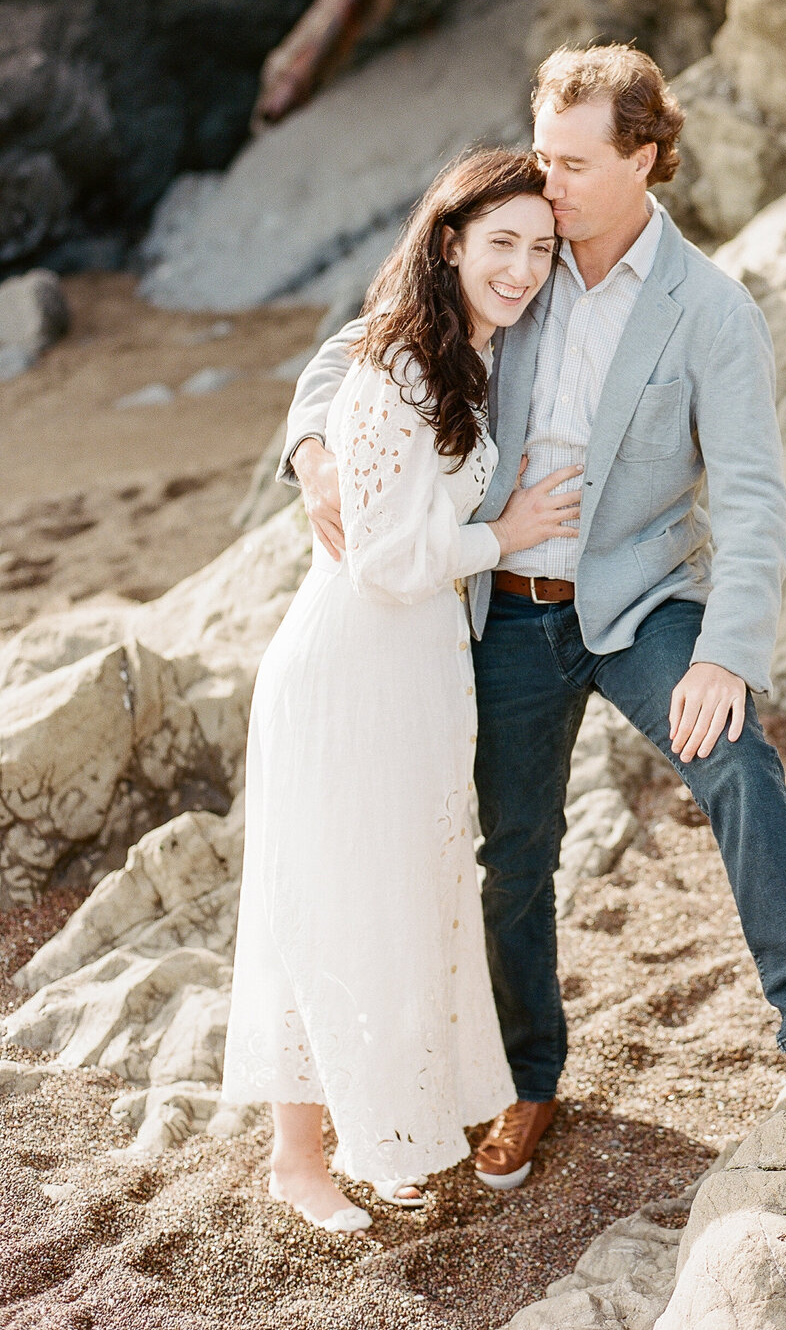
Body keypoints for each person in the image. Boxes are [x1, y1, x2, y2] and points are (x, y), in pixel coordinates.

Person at [282, 46, 786, 1192]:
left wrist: (728, 653)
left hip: (644, 604)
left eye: (575, 162)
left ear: (644, 158)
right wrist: (309, 449)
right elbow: (360, 342)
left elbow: (752, 497)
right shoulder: (515, 259)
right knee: (515, 853)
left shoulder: (713, 311)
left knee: (738, 759)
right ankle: (528, 1078)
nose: (550, 181)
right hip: (500, 607)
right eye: (542, 153)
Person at [222, 149, 585, 1232]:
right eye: (501, 243)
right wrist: (504, 533)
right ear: (449, 242)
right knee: (332, 904)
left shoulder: (468, 351)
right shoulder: (403, 365)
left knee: (394, 900)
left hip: (420, 670)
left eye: (541, 247)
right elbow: (380, 558)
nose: (521, 268)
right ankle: (302, 1157)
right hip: (349, 668)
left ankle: (384, 1125)